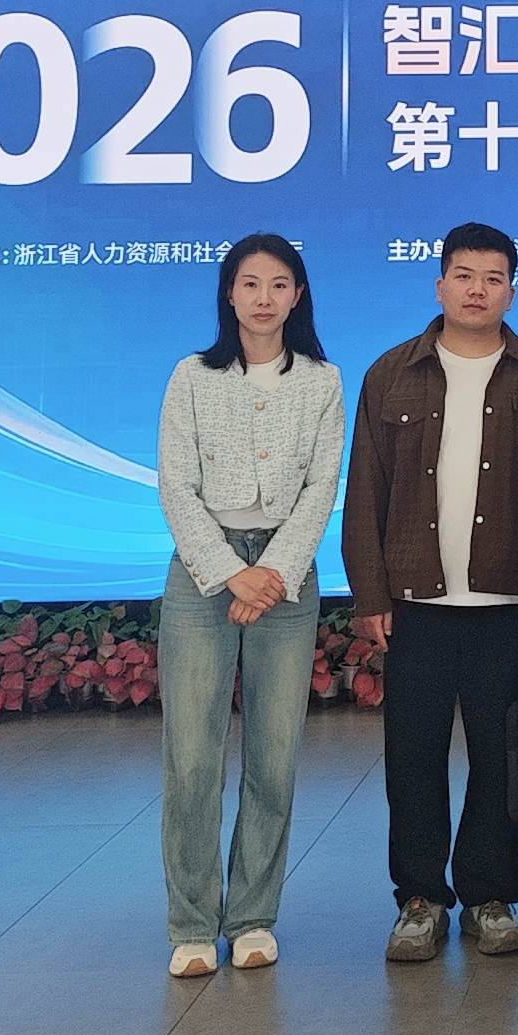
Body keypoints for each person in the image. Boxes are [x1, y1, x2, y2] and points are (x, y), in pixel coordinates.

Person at [341, 221, 518, 964]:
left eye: (494, 278)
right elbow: (364, 493)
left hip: (509, 605)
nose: (477, 290)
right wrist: (370, 594)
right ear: (439, 285)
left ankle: (490, 895)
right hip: (415, 606)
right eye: (464, 275)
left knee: (503, 761)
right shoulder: (391, 373)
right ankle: (420, 898)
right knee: (413, 757)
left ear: (512, 292)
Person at [156, 233, 345, 979]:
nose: (264, 298)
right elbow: (176, 485)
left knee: (273, 756)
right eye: (249, 283)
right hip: (203, 576)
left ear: (298, 295)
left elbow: (321, 488)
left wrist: (273, 572)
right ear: (228, 294)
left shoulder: (323, 380)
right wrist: (232, 574)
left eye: (279, 284)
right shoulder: (192, 376)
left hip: (286, 580)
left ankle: (254, 917)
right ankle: (192, 924)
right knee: (191, 759)